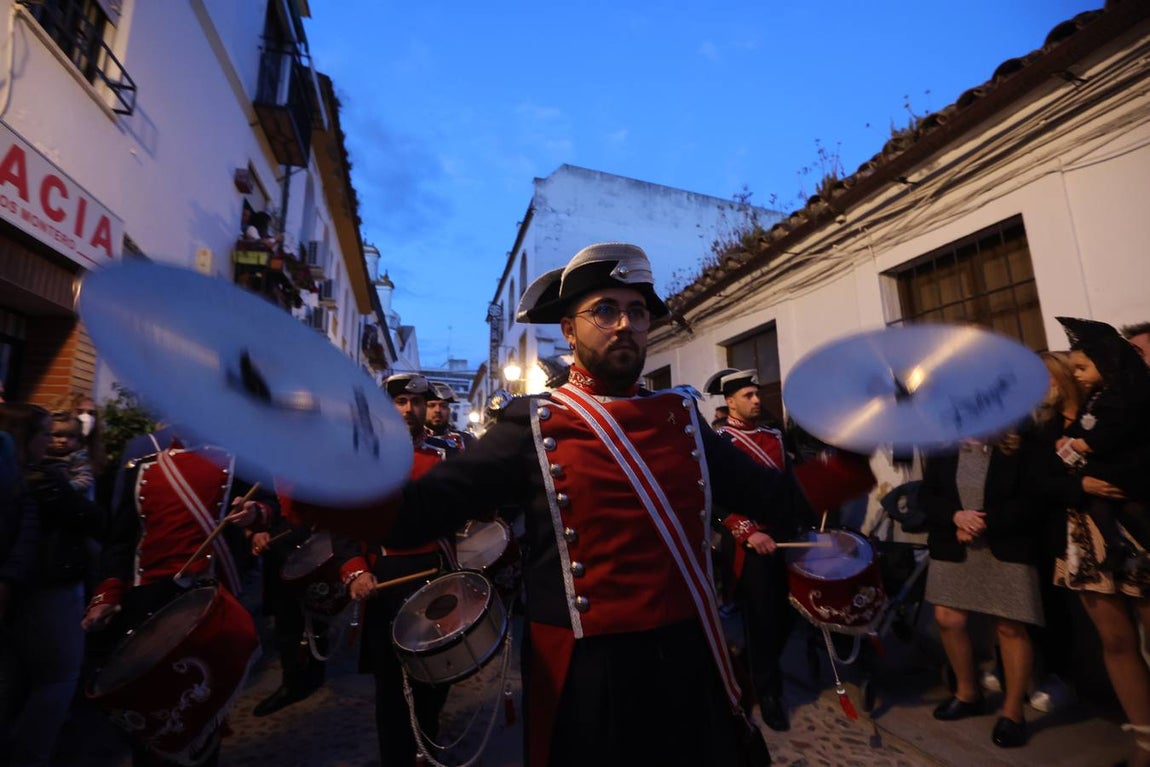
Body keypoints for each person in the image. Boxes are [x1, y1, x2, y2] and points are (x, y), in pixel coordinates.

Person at [306, 242, 873, 767]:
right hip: (586, 667)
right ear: (569, 331)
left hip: (688, 650)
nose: (626, 323)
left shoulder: (683, 420)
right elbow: (416, 513)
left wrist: (857, 448)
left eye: (638, 310)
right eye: (605, 309)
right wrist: (304, 471)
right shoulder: (531, 423)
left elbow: (776, 498)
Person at [82, 427, 268, 767]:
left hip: (208, 604)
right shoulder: (141, 467)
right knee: (149, 710)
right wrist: (108, 593)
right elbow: (121, 541)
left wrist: (255, 513)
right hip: (147, 604)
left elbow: (270, 506)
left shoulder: (239, 464)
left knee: (204, 710)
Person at [334, 373, 458, 766]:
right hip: (386, 577)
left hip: (438, 574)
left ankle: (427, 746)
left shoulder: (446, 456)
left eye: (416, 403)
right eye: (400, 402)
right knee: (391, 685)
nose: (410, 410)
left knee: (437, 678)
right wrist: (355, 571)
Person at [1049, 317, 1150, 766]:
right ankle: (1145, 743)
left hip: (1139, 528)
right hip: (1088, 534)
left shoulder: (1131, 405)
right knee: (1115, 640)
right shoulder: (1079, 411)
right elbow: (1046, 477)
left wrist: (1105, 475)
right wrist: (1082, 485)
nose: (1076, 373)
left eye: (1082, 365)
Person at [0, 402, 108, 767]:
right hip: (47, 586)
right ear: (24, 437)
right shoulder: (41, 478)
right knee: (59, 677)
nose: (52, 441)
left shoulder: (25, 473)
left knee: (17, 678)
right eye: (46, 433)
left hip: (21, 587)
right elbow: (92, 518)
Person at [922, 429, 1042, 749]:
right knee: (948, 618)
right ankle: (967, 693)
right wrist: (955, 518)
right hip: (953, 543)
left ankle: (1013, 712)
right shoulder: (942, 442)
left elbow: (1031, 497)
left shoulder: (1018, 442)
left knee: (1010, 627)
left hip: (1006, 544)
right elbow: (928, 495)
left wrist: (982, 524)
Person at [704, 368, 800, 732]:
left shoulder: (775, 435)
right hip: (748, 542)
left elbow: (787, 485)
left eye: (757, 394)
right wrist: (746, 531)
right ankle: (769, 691)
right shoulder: (719, 441)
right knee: (761, 619)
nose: (757, 400)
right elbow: (711, 497)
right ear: (729, 402)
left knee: (788, 615)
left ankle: (752, 667)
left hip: (783, 537)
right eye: (748, 395)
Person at [44, 413, 94, 498]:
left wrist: (64, 487)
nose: (64, 440)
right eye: (57, 435)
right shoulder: (40, 454)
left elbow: (84, 479)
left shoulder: (78, 456)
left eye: (71, 436)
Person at [425, 381, 475, 451]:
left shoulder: (466, 440)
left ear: (449, 410)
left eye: (443, 406)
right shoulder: (411, 440)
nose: (438, 410)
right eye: (431, 405)